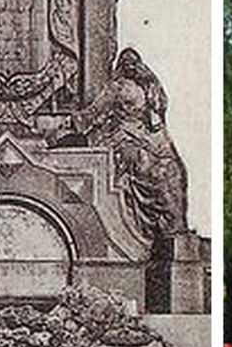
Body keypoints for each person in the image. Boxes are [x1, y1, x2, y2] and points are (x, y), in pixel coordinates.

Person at [71, 48, 190, 244]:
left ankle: (174, 226)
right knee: (147, 169)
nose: (131, 66)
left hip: (151, 135)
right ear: (121, 66)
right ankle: (152, 228)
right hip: (124, 136)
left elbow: (160, 107)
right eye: (126, 63)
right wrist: (71, 124)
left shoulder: (148, 84)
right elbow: (93, 112)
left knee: (176, 171)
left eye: (134, 62)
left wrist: (152, 83)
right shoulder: (116, 87)